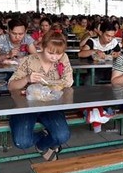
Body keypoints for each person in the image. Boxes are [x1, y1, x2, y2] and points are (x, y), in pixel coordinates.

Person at [7, 31, 74, 161]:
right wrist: (27, 79)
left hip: (51, 106)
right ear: (42, 47)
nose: (55, 57)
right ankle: (44, 137)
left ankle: (41, 145)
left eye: (58, 53)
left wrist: (48, 84)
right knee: (22, 142)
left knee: (62, 136)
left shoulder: (63, 58)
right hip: (26, 106)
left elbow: (69, 81)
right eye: (50, 53)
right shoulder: (28, 61)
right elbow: (11, 86)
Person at [79, 20, 121, 84]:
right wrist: (95, 51)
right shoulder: (93, 41)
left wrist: (117, 55)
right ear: (101, 33)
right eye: (107, 35)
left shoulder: (114, 42)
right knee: (88, 82)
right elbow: (80, 54)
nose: (110, 39)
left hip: (111, 70)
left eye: (112, 36)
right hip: (95, 71)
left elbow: (119, 54)